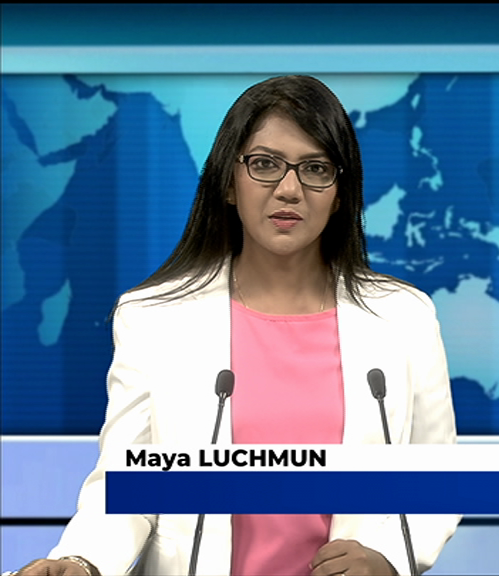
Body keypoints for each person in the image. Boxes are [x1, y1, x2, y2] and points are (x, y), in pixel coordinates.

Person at [12, 75, 460, 576]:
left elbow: (436, 479)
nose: (289, 189)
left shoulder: (403, 318)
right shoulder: (154, 318)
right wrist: (82, 561)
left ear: (340, 193)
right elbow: (130, 484)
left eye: (315, 169)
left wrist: (391, 561)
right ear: (229, 182)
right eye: (265, 164)